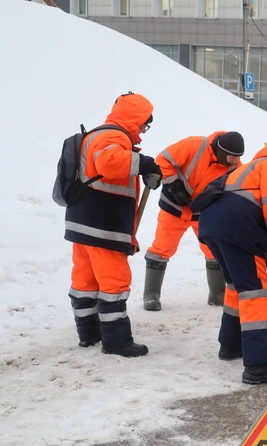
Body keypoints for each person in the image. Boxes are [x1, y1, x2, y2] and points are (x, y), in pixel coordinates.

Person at [196, 146, 267, 385]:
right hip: (237, 226)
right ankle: (258, 366)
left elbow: (265, 236)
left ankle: (231, 346)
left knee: (238, 286)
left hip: (214, 224)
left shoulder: (253, 168)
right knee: (255, 292)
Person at [65, 92, 161, 358]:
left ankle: (89, 334)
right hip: (103, 224)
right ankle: (116, 340)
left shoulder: (96, 134)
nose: (144, 128)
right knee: (114, 281)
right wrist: (145, 163)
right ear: (135, 118)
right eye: (144, 122)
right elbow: (108, 163)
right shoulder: (115, 136)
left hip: (83, 222)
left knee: (85, 280)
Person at [142, 131, 245, 311]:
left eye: (237, 158)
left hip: (203, 212)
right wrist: (173, 183)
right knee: (162, 248)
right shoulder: (195, 145)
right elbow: (162, 160)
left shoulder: (235, 168)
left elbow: (236, 190)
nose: (234, 161)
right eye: (231, 157)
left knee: (214, 249)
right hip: (174, 208)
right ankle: (151, 296)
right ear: (220, 151)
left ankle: (217, 295)